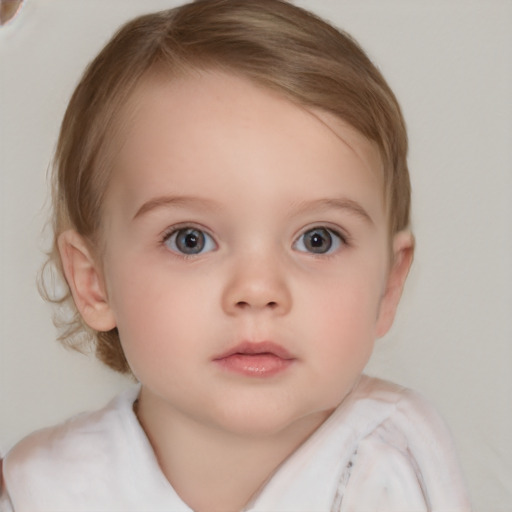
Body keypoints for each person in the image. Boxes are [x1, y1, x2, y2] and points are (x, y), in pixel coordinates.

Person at [0, 0, 471, 510]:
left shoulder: (392, 462)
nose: (258, 290)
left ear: (388, 284)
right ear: (94, 282)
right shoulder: (45, 489)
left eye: (318, 239)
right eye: (190, 239)